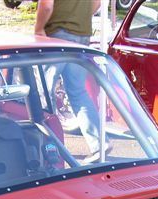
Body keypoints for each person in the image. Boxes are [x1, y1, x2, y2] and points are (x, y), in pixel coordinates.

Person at [35, 0, 107, 162]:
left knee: (44, 91)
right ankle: (99, 144)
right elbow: (97, 3)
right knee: (78, 92)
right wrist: (78, 18)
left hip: (57, 33)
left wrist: (38, 29)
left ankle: (50, 148)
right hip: (82, 34)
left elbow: (46, 5)